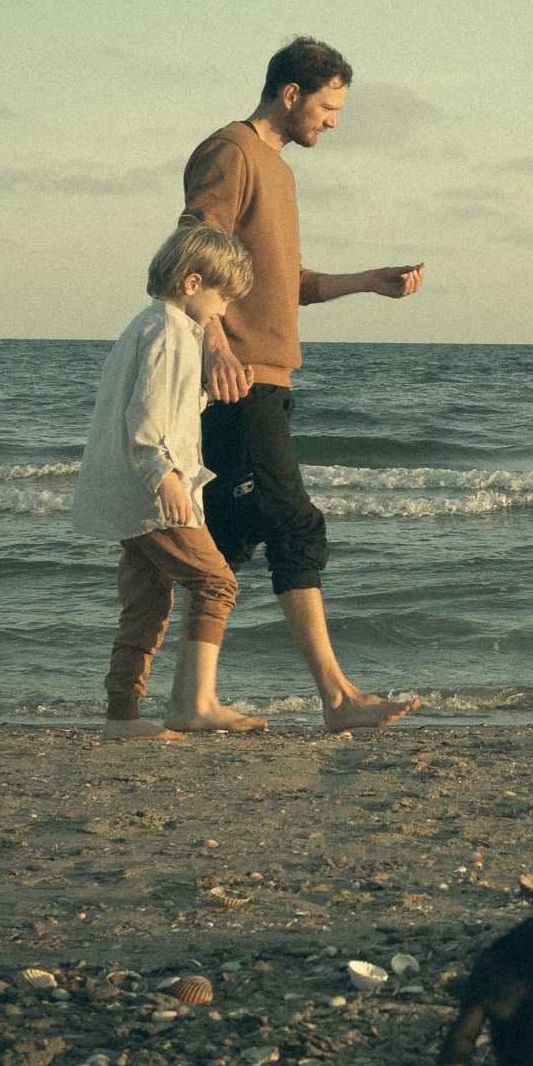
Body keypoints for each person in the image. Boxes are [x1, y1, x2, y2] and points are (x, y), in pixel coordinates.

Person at [181, 37, 424, 730]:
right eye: (329, 106)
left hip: (264, 377)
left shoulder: (279, 173)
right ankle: (338, 697)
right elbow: (191, 251)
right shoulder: (230, 152)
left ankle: (190, 700)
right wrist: (216, 345)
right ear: (292, 93)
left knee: (226, 544)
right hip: (238, 380)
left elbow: (284, 283)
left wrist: (366, 283)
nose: (334, 121)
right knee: (293, 525)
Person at [71, 225, 260, 740]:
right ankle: (196, 704)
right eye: (221, 298)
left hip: (131, 493)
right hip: (153, 492)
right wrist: (167, 479)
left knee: (147, 603)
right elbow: (148, 416)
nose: (223, 311)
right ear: (192, 280)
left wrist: (205, 394)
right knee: (216, 582)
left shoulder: (147, 326)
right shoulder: (172, 331)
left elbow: (160, 405)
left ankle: (122, 717)